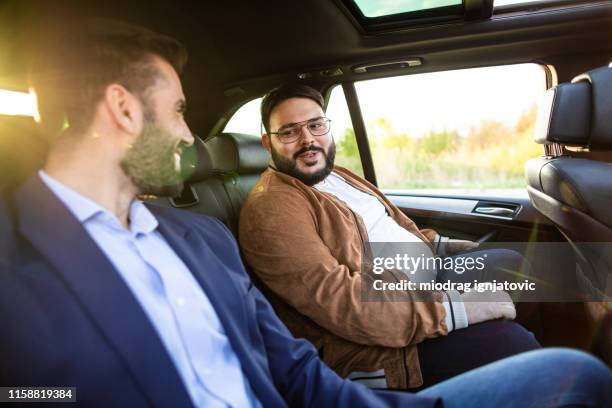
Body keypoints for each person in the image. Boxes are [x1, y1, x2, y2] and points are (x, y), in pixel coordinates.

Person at [1, 19, 611, 408]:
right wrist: (458, 305)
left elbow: (293, 371)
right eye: (180, 111)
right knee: (527, 339)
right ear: (124, 110)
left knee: (570, 361)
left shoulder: (200, 239)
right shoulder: (15, 272)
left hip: (383, 329)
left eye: (316, 125)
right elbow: (32, 394)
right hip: (381, 339)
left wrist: (450, 263)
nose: (191, 135)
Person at [239, 84, 540, 389]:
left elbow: (389, 223)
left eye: (316, 125)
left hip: (416, 289)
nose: (308, 140)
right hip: (374, 346)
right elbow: (342, 303)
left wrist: (439, 245)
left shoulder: (336, 174)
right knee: (512, 344)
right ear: (268, 142)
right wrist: (455, 309)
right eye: (290, 131)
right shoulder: (272, 207)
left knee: (510, 266)